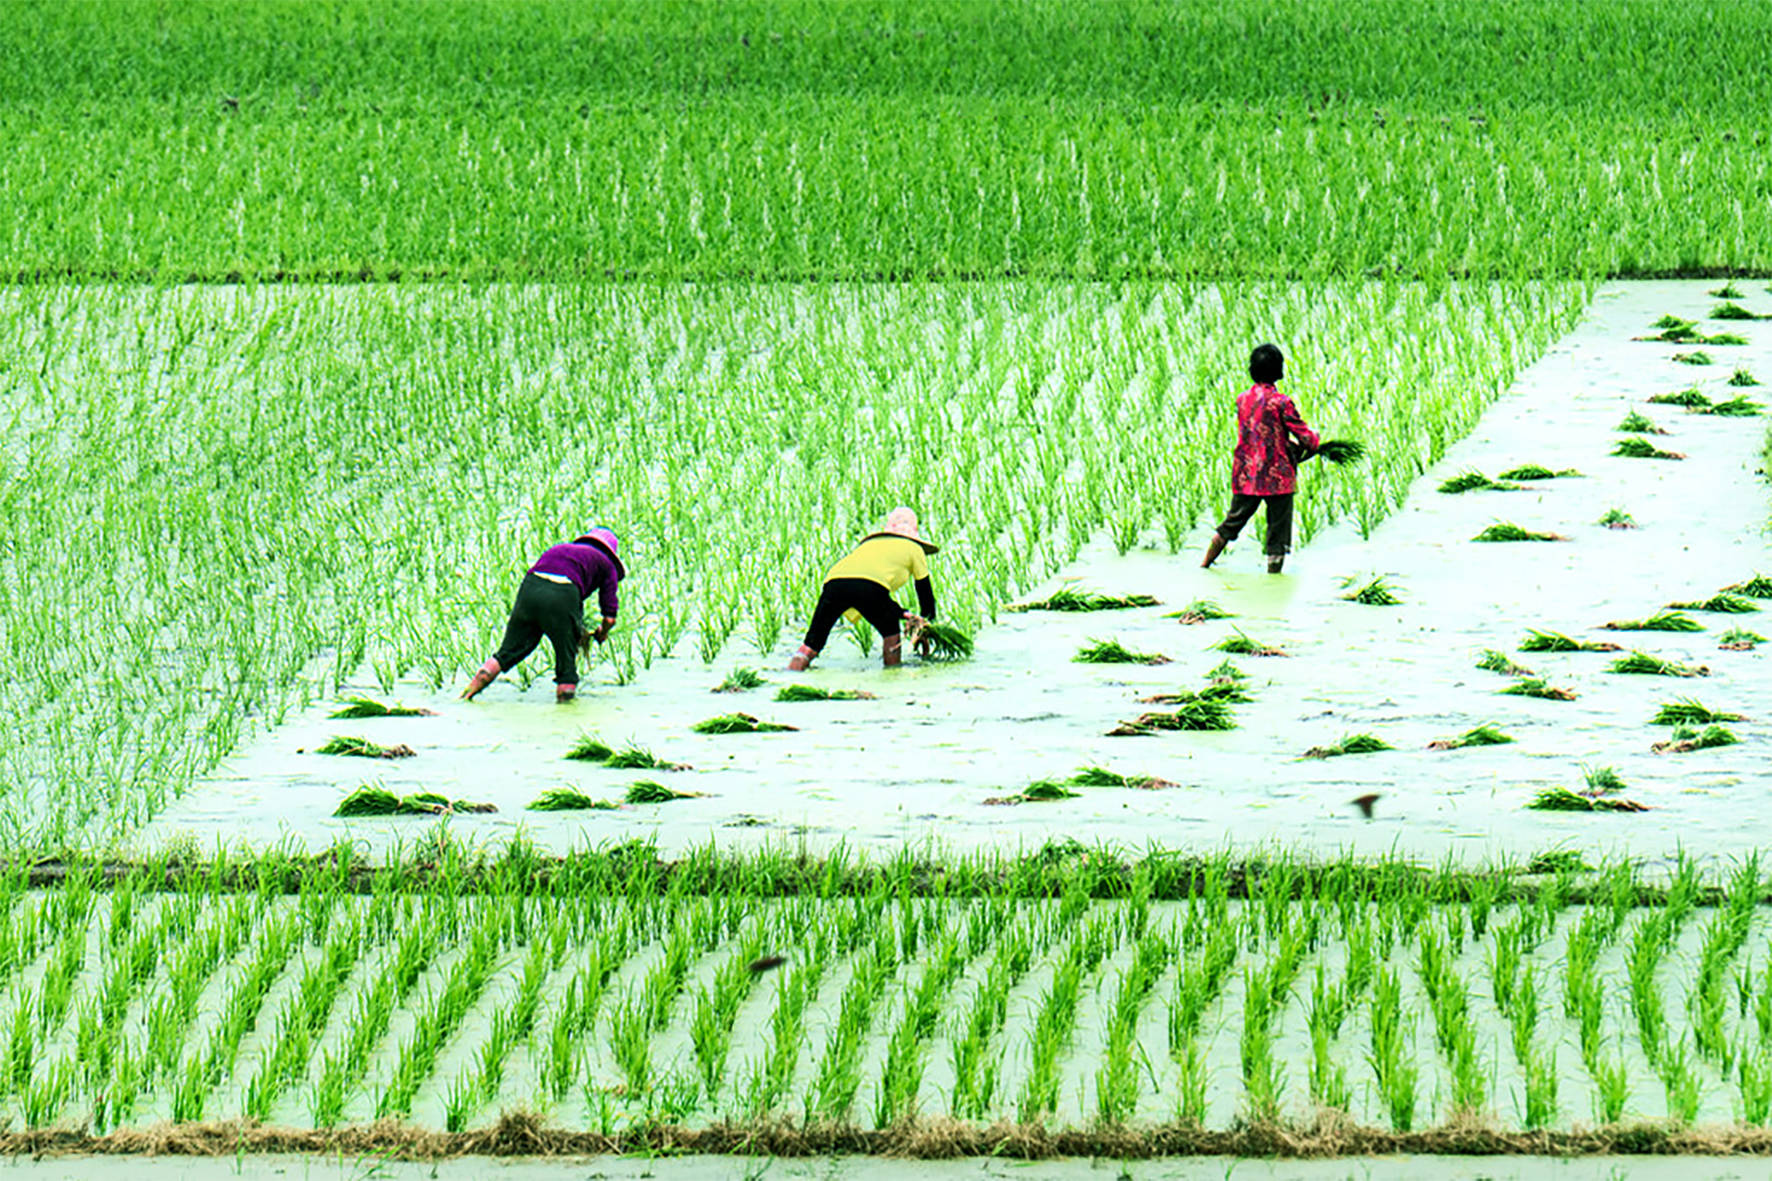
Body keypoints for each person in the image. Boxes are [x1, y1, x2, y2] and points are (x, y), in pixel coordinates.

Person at [461, 528, 624, 703]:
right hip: (563, 592)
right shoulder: (607, 564)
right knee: (566, 666)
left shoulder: (560, 549)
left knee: (507, 652)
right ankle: (565, 712)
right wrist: (602, 632)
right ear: (610, 553)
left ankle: (466, 695)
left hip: (531, 587)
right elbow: (609, 617)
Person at [1201, 344, 1319, 574]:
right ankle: (1273, 577)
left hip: (1247, 475)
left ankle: (1204, 564)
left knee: (1231, 523)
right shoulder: (1282, 403)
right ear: (1279, 371)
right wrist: (1314, 442)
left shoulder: (1242, 400)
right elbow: (1305, 437)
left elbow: (1259, 431)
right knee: (1277, 533)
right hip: (1277, 479)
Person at [788, 507, 937, 670]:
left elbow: (865, 588)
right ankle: (893, 674)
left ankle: (790, 674)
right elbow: (924, 590)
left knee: (812, 642)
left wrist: (902, 612)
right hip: (869, 587)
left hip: (833, 583)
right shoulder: (914, 548)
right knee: (890, 629)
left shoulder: (870, 544)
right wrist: (927, 623)